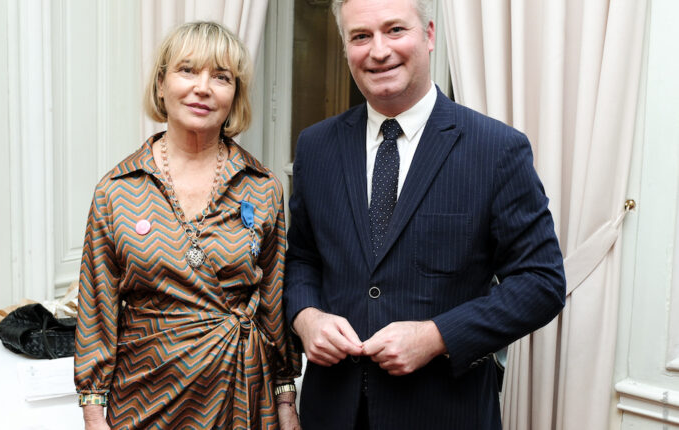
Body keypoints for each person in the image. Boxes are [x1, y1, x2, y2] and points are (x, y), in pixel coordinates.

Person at [283, 0, 566, 429]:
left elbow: (542, 282)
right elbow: (302, 257)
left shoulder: (496, 149)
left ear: (429, 35)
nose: (378, 51)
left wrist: (437, 336)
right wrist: (306, 316)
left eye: (395, 30)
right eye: (360, 36)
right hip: (332, 411)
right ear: (345, 47)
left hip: (444, 411)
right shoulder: (315, 147)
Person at [74, 21, 301, 430]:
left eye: (221, 77)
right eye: (188, 70)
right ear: (161, 84)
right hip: (145, 398)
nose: (203, 87)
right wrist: (93, 412)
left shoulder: (263, 188)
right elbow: (96, 310)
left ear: (235, 95)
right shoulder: (117, 191)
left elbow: (273, 305)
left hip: (242, 394)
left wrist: (286, 403)